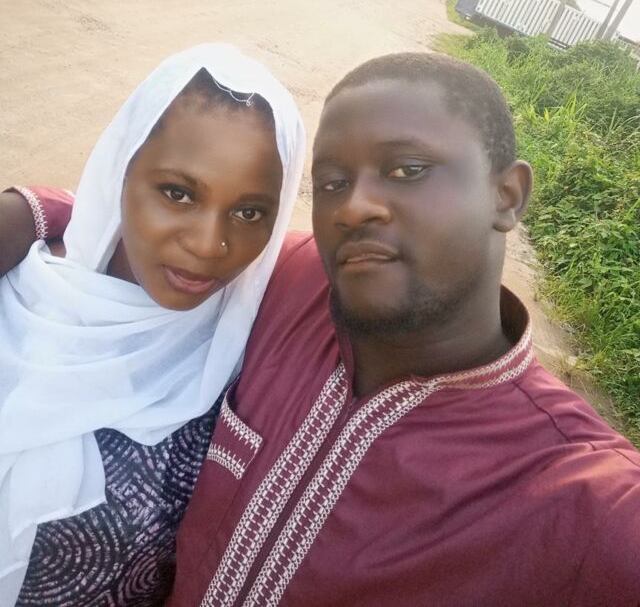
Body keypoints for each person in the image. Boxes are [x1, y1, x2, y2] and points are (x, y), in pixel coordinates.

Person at [4, 52, 640, 606]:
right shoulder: (289, 284)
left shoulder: (581, 496)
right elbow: (137, 210)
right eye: (332, 182)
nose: (354, 206)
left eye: (408, 169)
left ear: (507, 195)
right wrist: (26, 211)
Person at [0, 44, 305, 607]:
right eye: (178, 193)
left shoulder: (237, 370)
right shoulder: (16, 283)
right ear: (121, 169)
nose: (209, 245)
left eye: (249, 212)